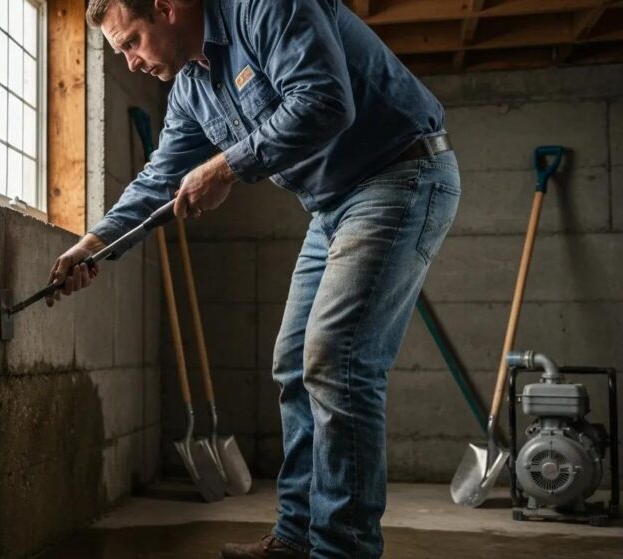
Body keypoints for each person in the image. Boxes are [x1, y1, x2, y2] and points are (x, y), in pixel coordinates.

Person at [46, 1, 460, 557]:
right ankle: (295, 537)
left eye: (131, 43)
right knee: (293, 361)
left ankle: (343, 549)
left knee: (336, 360)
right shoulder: (191, 88)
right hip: (332, 204)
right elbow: (159, 180)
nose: (130, 63)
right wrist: (95, 244)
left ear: (166, 7)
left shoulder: (264, 8)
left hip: (400, 173)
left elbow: (324, 101)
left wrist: (226, 168)